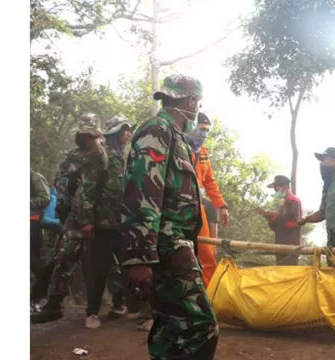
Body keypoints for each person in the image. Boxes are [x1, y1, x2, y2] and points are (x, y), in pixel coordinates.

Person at [121, 74, 218, 359]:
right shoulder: (157, 130)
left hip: (172, 244)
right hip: (165, 245)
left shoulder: (176, 137)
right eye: (197, 103)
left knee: (170, 328)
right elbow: (141, 193)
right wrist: (140, 256)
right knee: (201, 326)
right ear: (191, 102)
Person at [31, 114, 109, 324]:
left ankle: (108, 306)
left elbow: (89, 191)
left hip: (88, 218)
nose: (91, 139)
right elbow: (60, 180)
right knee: (64, 259)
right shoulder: (74, 155)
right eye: (87, 134)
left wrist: (86, 220)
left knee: (79, 260)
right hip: (71, 215)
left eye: (94, 134)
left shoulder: (98, 156)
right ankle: (54, 305)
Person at [81, 115, 135, 329]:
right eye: (125, 130)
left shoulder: (125, 158)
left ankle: (125, 306)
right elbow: (88, 190)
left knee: (126, 266)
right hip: (102, 224)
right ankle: (92, 313)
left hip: (122, 224)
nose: (128, 134)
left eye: (130, 130)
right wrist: (87, 221)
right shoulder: (101, 155)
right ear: (115, 131)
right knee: (99, 269)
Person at [186, 111, 230, 288]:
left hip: (198, 207)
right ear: (191, 127)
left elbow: (210, 182)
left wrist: (222, 206)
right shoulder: (178, 147)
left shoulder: (203, 153)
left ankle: (210, 295)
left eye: (207, 130)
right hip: (176, 207)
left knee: (207, 251)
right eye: (201, 128)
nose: (204, 133)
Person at [257, 175, 303, 265]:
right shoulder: (283, 205)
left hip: (290, 248)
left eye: (276, 188)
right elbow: (277, 228)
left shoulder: (293, 201)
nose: (275, 191)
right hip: (280, 247)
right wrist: (269, 218)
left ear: (285, 187)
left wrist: (275, 215)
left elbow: (295, 224)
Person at [30, 169, 51, 277]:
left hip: (32, 222)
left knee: (33, 258)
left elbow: (45, 198)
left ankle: (43, 285)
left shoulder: (35, 177)